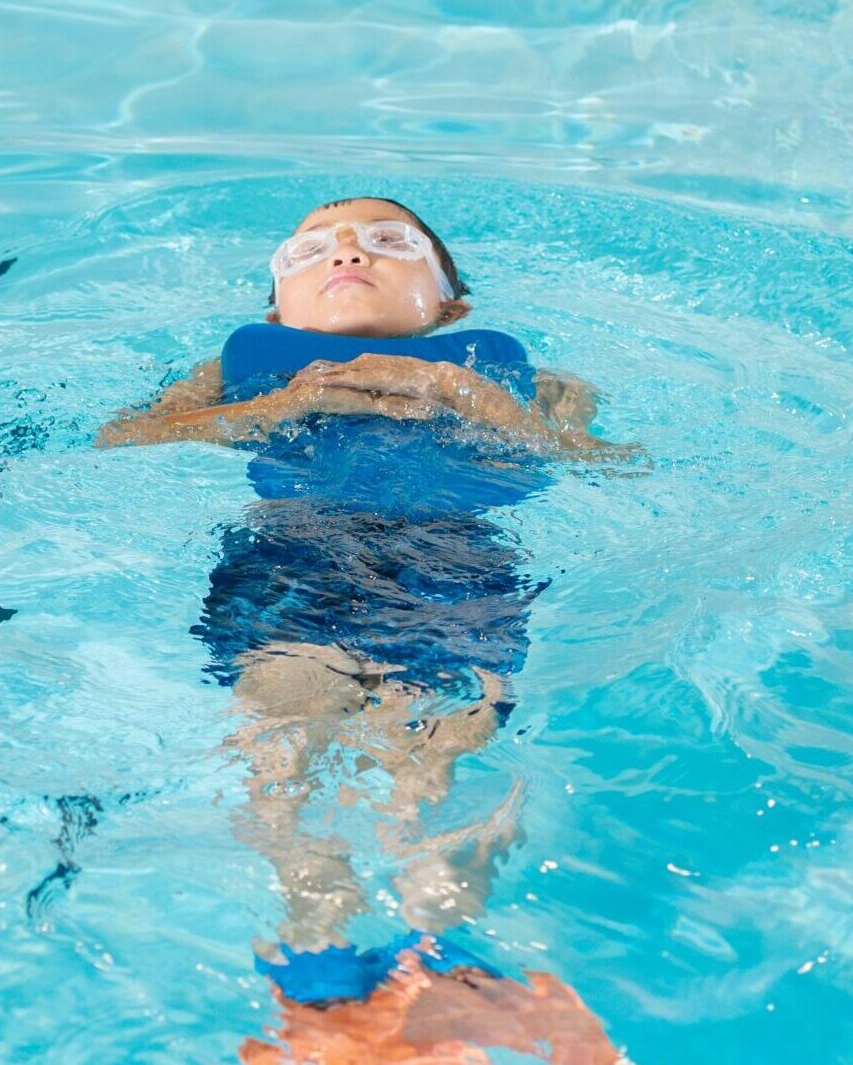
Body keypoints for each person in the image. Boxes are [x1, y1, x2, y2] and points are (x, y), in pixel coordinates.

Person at [99, 197, 623, 1060]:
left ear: (451, 302)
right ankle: (315, 945)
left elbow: (600, 463)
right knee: (280, 734)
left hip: (457, 569)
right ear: (278, 313)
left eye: (388, 242)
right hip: (292, 563)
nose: (346, 253)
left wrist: (468, 399)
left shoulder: (536, 381)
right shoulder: (234, 373)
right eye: (308, 250)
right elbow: (125, 441)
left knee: (440, 752)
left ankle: (442, 944)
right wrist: (280, 406)